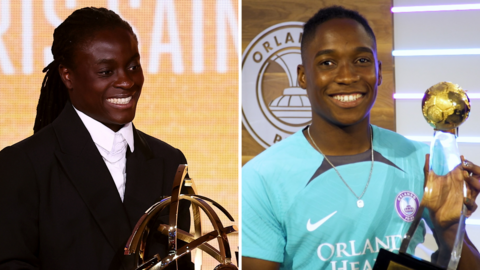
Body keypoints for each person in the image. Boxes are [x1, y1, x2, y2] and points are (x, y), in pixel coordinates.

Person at [242, 6, 480, 270]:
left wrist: (450, 230)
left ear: (378, 71)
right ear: (302, 76)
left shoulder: (421, 162)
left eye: (362, 61)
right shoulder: (261, 177)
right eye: (327, 63)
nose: (347, 76)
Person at [0, 7, 193, 270]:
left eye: (133, 66)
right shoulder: (23, 165)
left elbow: (179, 262)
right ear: (67, 75)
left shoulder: (170, 162)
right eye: (106, 72)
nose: (126, 81)